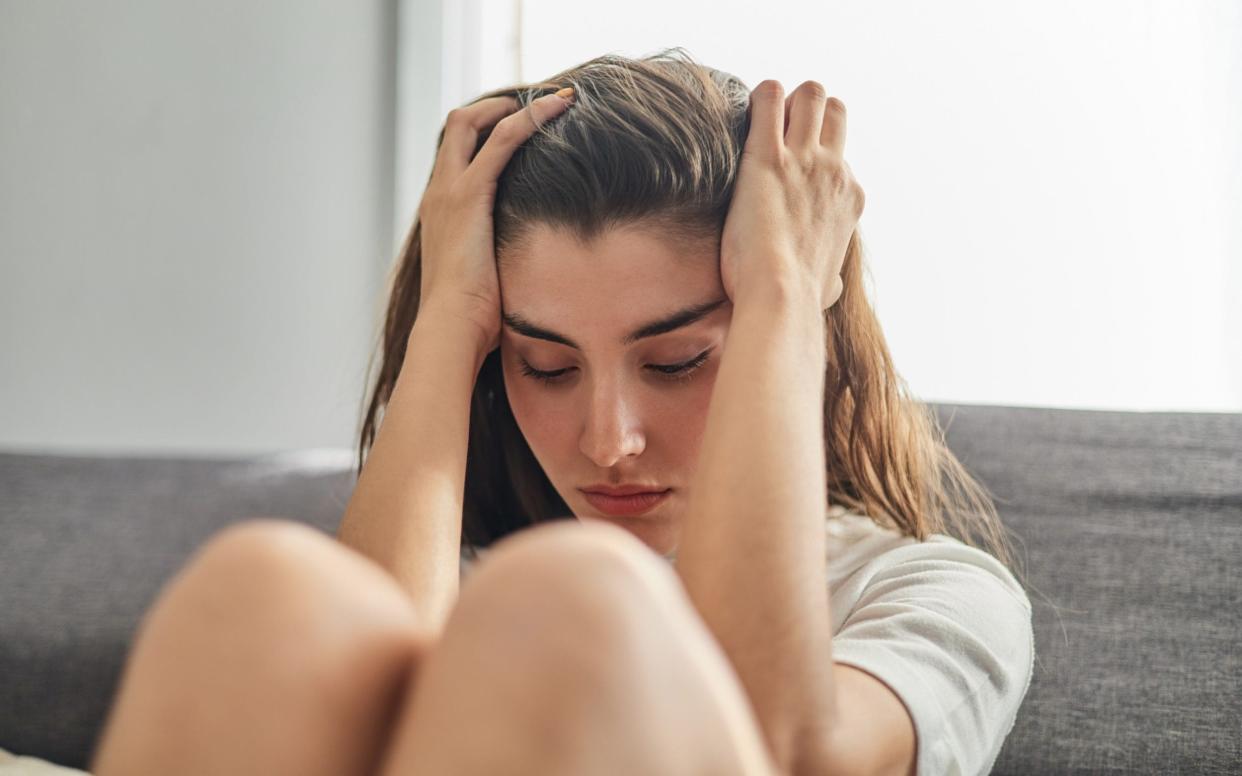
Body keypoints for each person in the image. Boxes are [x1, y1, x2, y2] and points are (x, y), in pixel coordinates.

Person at [90, 49, 1034, 776]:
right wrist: (448, 319)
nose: (608, 440)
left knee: (572, 600)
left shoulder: (934, 600)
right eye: (546, 367)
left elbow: (776, 749)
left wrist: (789, 292)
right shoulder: (451, 589)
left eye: (676, 362)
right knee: (263, 589)